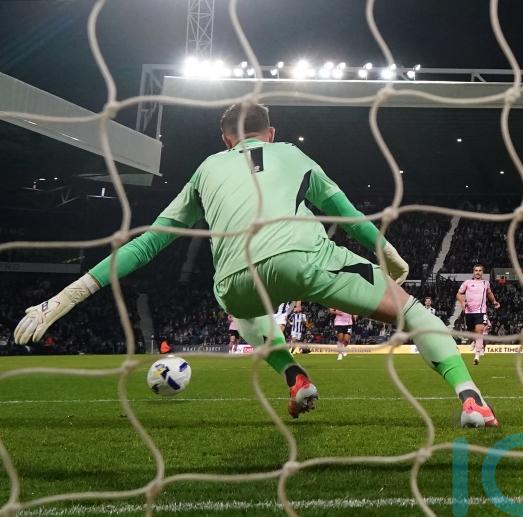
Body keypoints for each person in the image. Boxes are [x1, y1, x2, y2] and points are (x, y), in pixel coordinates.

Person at [13, 103, 498, 427]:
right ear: (270, 132)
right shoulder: (292, 153)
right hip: (310, 259)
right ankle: (470, 399)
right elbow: (347, 214)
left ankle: (294, 375)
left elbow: (147, 245)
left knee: (241, 308)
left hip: (235, 280)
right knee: (416, 314)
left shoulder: (206, 168)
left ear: (225, 138)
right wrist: (388, 253)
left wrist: (66, 298)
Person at [456, 264, 500, 365]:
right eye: (476, 270)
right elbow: (458, 294)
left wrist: (494, 301)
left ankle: (477, 356)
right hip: (469, 312)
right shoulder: (467, 282)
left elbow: (489, 293)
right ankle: (475, 342)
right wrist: (462, 302)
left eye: (480, 270)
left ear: (482, 273)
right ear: (473, 272)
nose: (478, 272)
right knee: (473, 333)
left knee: (480, 332)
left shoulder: (485, 283)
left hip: (480, 312)